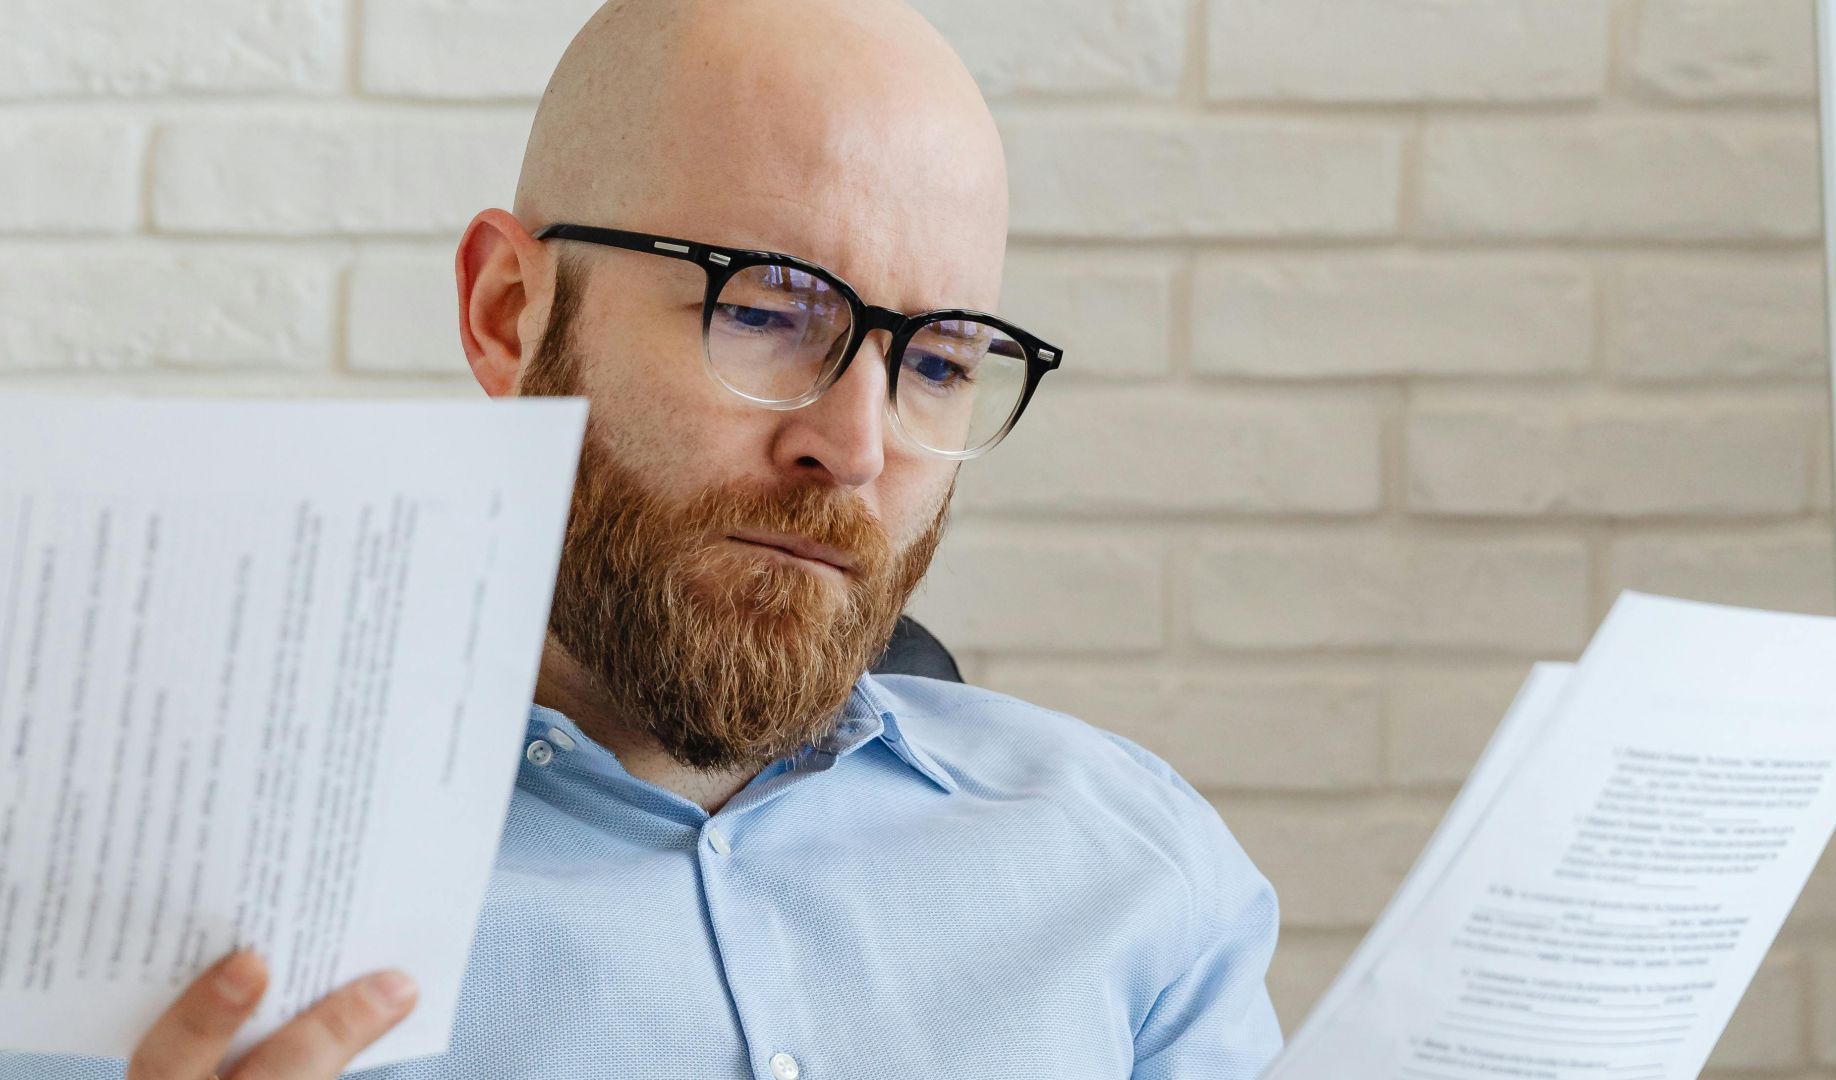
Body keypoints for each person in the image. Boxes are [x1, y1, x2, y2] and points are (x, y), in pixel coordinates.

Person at [5, 0, 1284, 1076]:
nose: (859, 444)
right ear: (509, 314)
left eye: (939, 361)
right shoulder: (128, 918)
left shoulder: (1138, 870)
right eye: (770, 312)